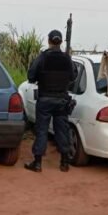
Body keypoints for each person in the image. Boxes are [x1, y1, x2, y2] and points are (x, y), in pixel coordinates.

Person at [24, 29, 77, 173]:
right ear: (60, 42)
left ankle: (37, 163)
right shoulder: (67, 58)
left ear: (48, 41)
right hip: (61, 100)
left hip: (45, 100)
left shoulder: (43, 57)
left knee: (41, 131)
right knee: (62, 130)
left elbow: (31, 76)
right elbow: (73, 77)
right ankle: (64, 163)